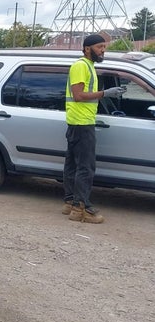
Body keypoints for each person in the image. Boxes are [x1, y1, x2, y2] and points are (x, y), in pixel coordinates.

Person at [62, 34, 124, 224]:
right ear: (87, 48)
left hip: (77, 121)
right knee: (86, 167)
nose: (103, 50)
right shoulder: (81, 66)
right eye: (99, 47)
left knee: (72, 164)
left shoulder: (88, 66)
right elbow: (79, 95)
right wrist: (106, 93)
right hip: (81, 122)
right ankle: (82, 208)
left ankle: (70, 202)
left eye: (104, 46)